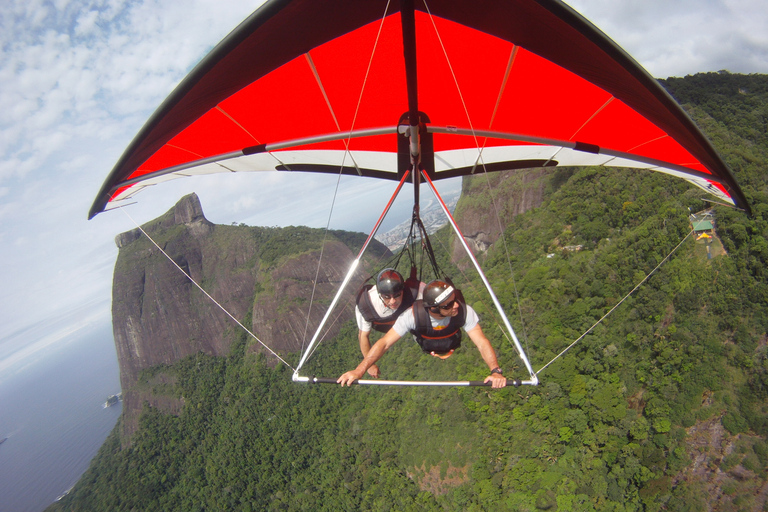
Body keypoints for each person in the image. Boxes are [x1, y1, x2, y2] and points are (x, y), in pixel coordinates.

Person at [339, 280, 507, 388]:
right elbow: (384, 343)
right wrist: (359, 371)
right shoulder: (412, 316)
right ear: (433, 308)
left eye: (454, 300)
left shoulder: (463, 311)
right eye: (447, 306)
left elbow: (481, 342)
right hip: (426, 340)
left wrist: (495, 371)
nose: (455, 306)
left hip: (452, 341)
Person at [354, 268, 421, 378]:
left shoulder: (413, 291)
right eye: (387, 297)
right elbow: (363, 336)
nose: (392, 301)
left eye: (397, 295)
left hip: (407, 320)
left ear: (403, 290)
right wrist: (369, 365)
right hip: (384, 325)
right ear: (380, 294)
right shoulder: (366, 305)